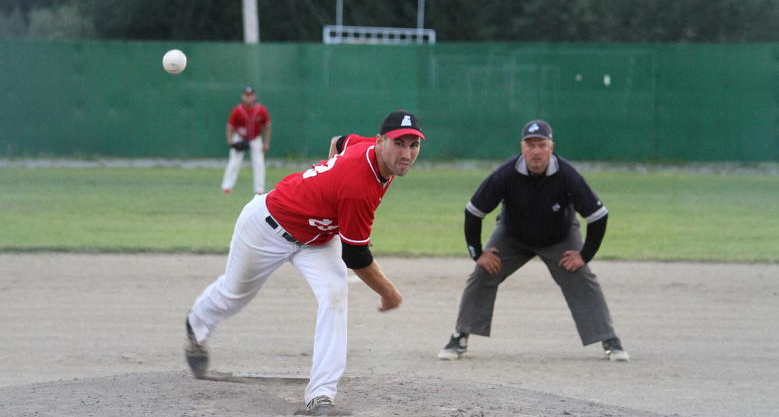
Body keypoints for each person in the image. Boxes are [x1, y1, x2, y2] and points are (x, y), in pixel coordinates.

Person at [186, 109, 425, 415]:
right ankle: (195, 325)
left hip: (317, 239)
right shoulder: (358, 187)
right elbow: (356, 256)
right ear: (380, 142)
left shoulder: (372, 152)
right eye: (398, 143)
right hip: (267, 226)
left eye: (413, 145)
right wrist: (389, 293)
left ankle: (321, 397)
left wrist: (327, 185)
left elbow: (339, 142)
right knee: (234, 294)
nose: (406, 153)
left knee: (335, 296)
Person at [438, 119, 629, 363]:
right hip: (512, 235)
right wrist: (478, 254)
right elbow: (473, 211)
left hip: (559, 236)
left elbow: (599, 215)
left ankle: (609, 339)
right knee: (482, 273)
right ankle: (460, 336)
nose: (536, 151)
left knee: (581, 277)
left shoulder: (567, 175)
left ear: (551, 147)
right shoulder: (506, 174)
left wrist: (584, 255)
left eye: (542, 144)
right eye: (530, 145)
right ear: (522, 147)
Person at [221, 86, 272, 195]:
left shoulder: (261, 110)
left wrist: (266, 142)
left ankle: (259, 189)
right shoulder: (237, 110)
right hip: (240, 138)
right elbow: (230, 127)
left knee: (258, 163)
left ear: (254, 96)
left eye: (251, 95)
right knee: (234, 162)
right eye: (246, 95)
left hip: (255, 138)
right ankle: (227, 187)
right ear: (242, 96)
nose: (248, 97)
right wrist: (230, 141)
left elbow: (266, 127)